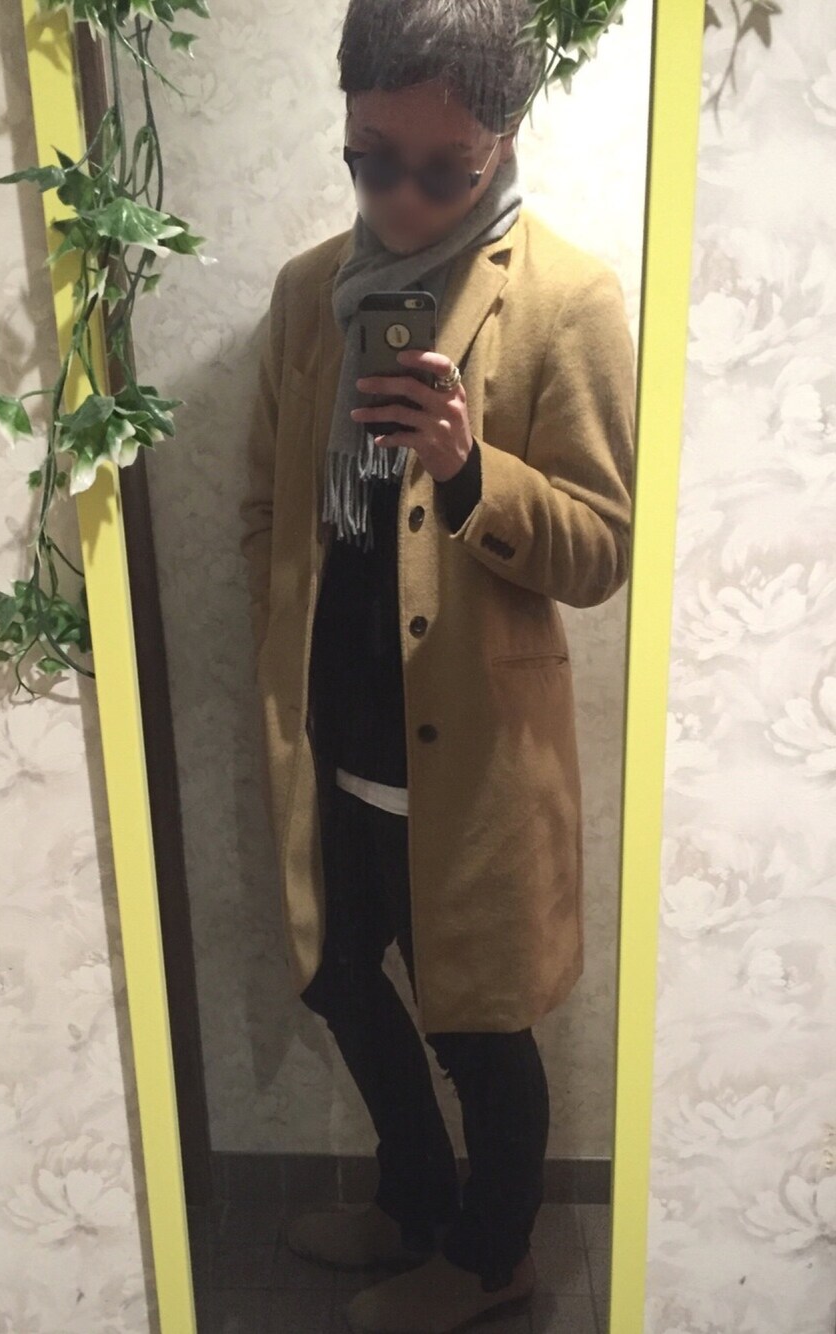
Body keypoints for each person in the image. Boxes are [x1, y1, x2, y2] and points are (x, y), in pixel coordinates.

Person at [238, 2, 636, 1329]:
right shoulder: (307, 293)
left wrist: (471, 472)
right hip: (329, 734)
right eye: (370, 159)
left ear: (502, 138)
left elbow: (602, 548)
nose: (400, 199)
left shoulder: (568, 301)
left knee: (479, 1022)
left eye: (440, 171)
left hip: (469, 761)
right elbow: (264, 504)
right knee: (342, 978)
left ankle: (490, 1256)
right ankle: (411, 1199)